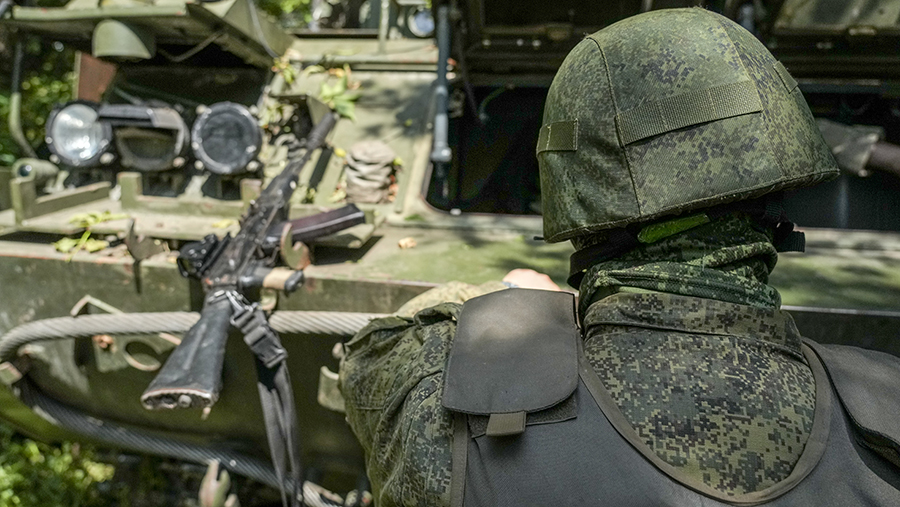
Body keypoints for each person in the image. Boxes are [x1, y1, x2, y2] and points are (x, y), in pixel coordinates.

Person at [339, 8, 900, 506]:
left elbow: (369, 359)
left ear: (578, 190)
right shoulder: (884, 403)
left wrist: (520, 312)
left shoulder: (451, 405)